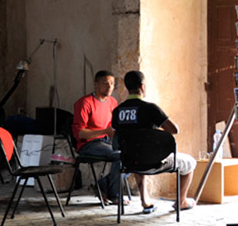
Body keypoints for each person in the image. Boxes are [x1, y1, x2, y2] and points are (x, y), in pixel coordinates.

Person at [111, 70, 197, 213]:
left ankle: (145, 201)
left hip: (129, 161)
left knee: (136, 152)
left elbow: (116, 135)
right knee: (189, 163)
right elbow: (174, 130)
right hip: (154, 161)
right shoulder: (150, 108)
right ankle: (181, 201)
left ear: (126, 88)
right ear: (142, 87)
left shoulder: (117, 111)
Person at [72, 70, 126, 204]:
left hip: (107, 142)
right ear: (96, 85)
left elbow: (114, 127)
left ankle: (102, 184)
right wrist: (105, 131)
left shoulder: (112, 102)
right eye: (105, 83)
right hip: (88, 144)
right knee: (118, 155)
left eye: (112, 84)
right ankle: (114, 195)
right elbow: (80, 133)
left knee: (131, 154)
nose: (110, 87)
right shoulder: (85, 102)